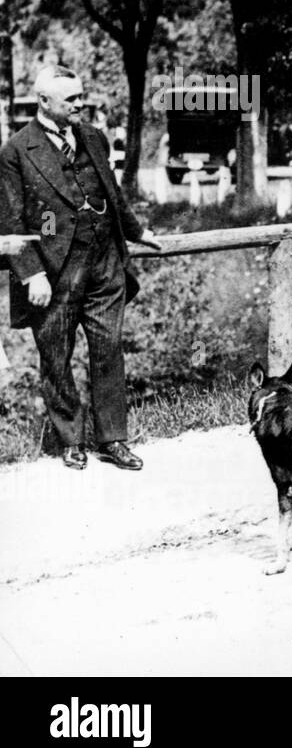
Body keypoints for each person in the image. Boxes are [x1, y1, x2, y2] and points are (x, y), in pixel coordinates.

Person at [0, 65, 161, 470]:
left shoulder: (94, 137)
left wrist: (137, 231)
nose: (80, 104)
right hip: (53, 274)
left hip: (104, 265)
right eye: (70, 99)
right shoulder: (15, 151)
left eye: (80, 96)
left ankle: (113, 439)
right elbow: (10, 221)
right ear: (43, 102)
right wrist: (31, 273)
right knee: (56, 356)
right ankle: (70, 439)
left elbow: (113, 191)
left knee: (108, 351)